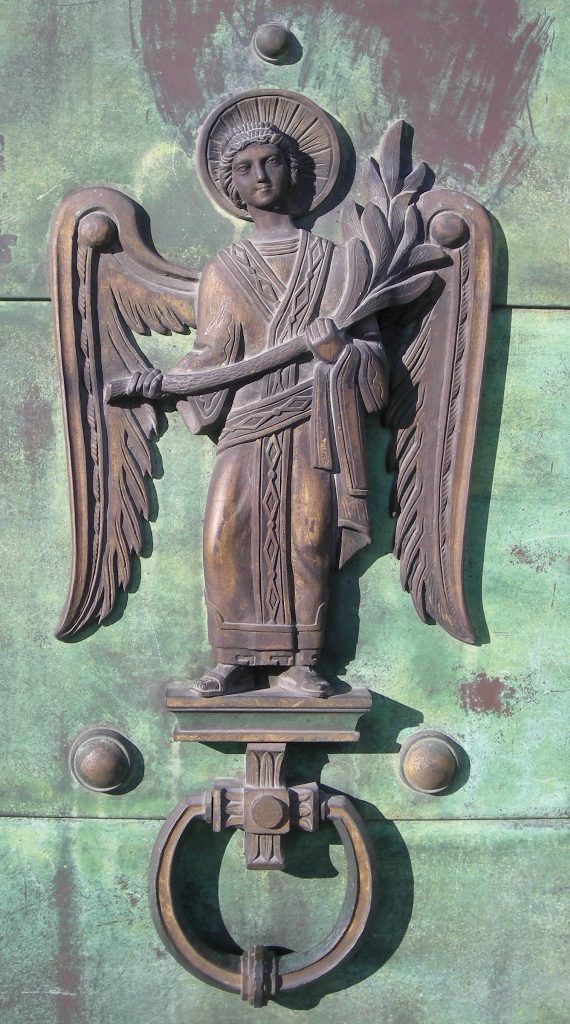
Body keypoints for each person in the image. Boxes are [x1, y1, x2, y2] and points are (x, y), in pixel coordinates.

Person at [128, 121, 388, 697]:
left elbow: (374, 363)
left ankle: (303, 659)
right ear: (232, 187)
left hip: (312, 425)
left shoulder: (335, 263)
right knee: (226, 534)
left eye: (271, 162)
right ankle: (232, 656)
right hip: (246, 427)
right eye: (245, 168)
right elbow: (212, 355)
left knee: (309, 535)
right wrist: (166, 383)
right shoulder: (225, 269)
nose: (260, 176)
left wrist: (339, 352)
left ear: (292, 171)